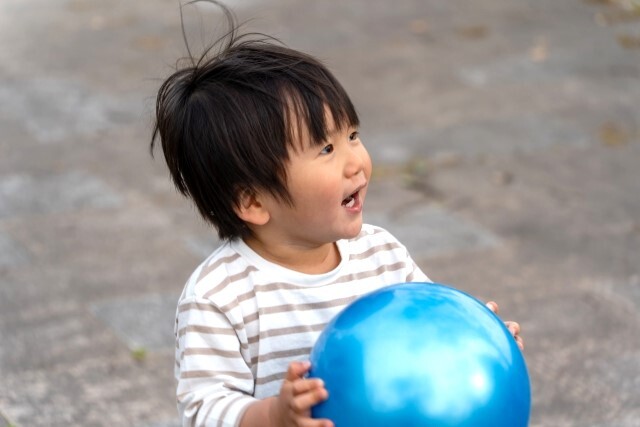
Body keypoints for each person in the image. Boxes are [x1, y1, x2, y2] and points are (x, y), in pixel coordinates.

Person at [150, 2, 523, 426]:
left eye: (352, 135)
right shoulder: (220, 297)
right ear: (253, 202)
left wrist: (478, 338)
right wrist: (275, 414)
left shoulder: (381, 254)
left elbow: (429, 327)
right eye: (326, 149)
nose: (356, 162)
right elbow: (204, 410)